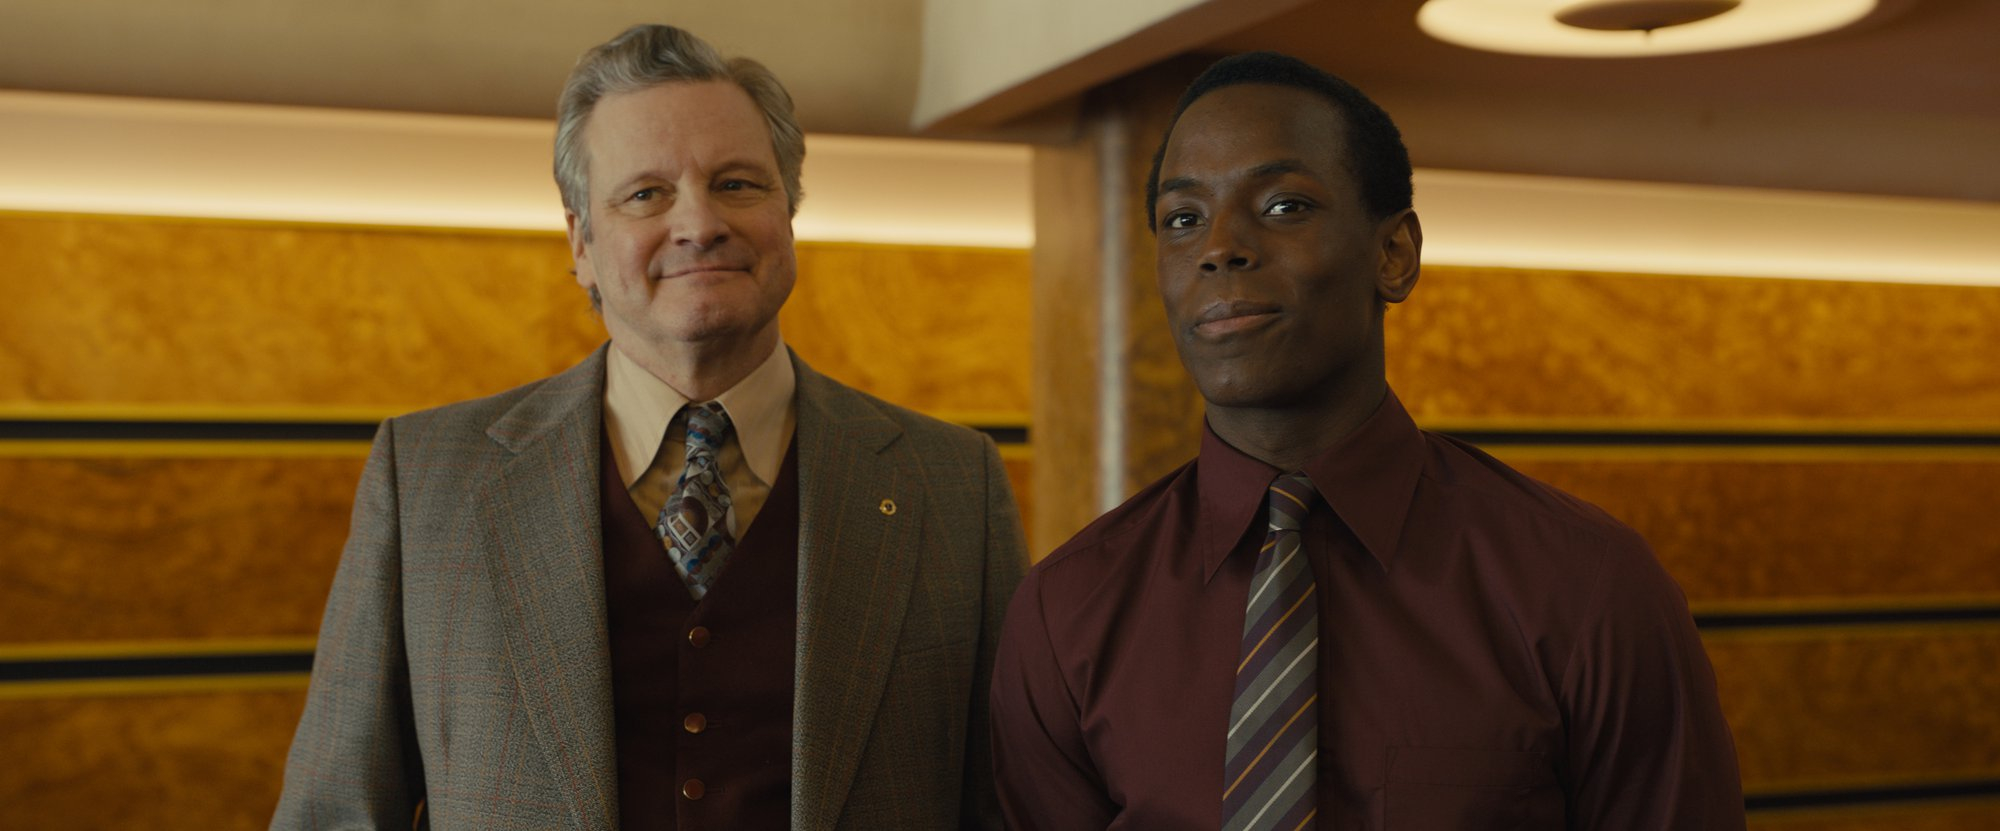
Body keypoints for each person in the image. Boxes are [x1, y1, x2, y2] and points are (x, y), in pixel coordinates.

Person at [273, 24, 1024, 831]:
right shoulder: (424, 481)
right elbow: (336, 813)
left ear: (791, 214)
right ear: (581, 244)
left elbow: (1009, 807)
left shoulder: (955, 487)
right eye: (646, 194)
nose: (700, 223)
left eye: (738, 184)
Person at [989, 51, 1744, 830]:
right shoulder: (1065, 612)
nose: (1220, 247)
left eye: (1282, 206)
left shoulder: (1586, 587)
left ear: (1394, 255)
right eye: (1183, 219)